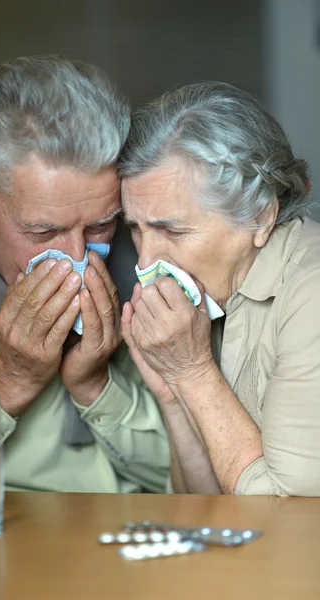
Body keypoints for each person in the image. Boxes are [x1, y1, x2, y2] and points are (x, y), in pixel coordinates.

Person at [0, 55, 169, 492]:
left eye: (100, 224)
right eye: (43, 230)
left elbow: (191, 484)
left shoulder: (155, 267)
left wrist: (96, 385)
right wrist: (7, 381)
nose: (77, 257)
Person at [120, 81, 320, 496]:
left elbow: (290, 511)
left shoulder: (311, 292)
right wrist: (175, 393)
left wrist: (194, 373)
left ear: (262, 215)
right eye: (135, 231)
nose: (144, 264)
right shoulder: (212, 299)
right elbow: (203, 507)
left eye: (171, 230)